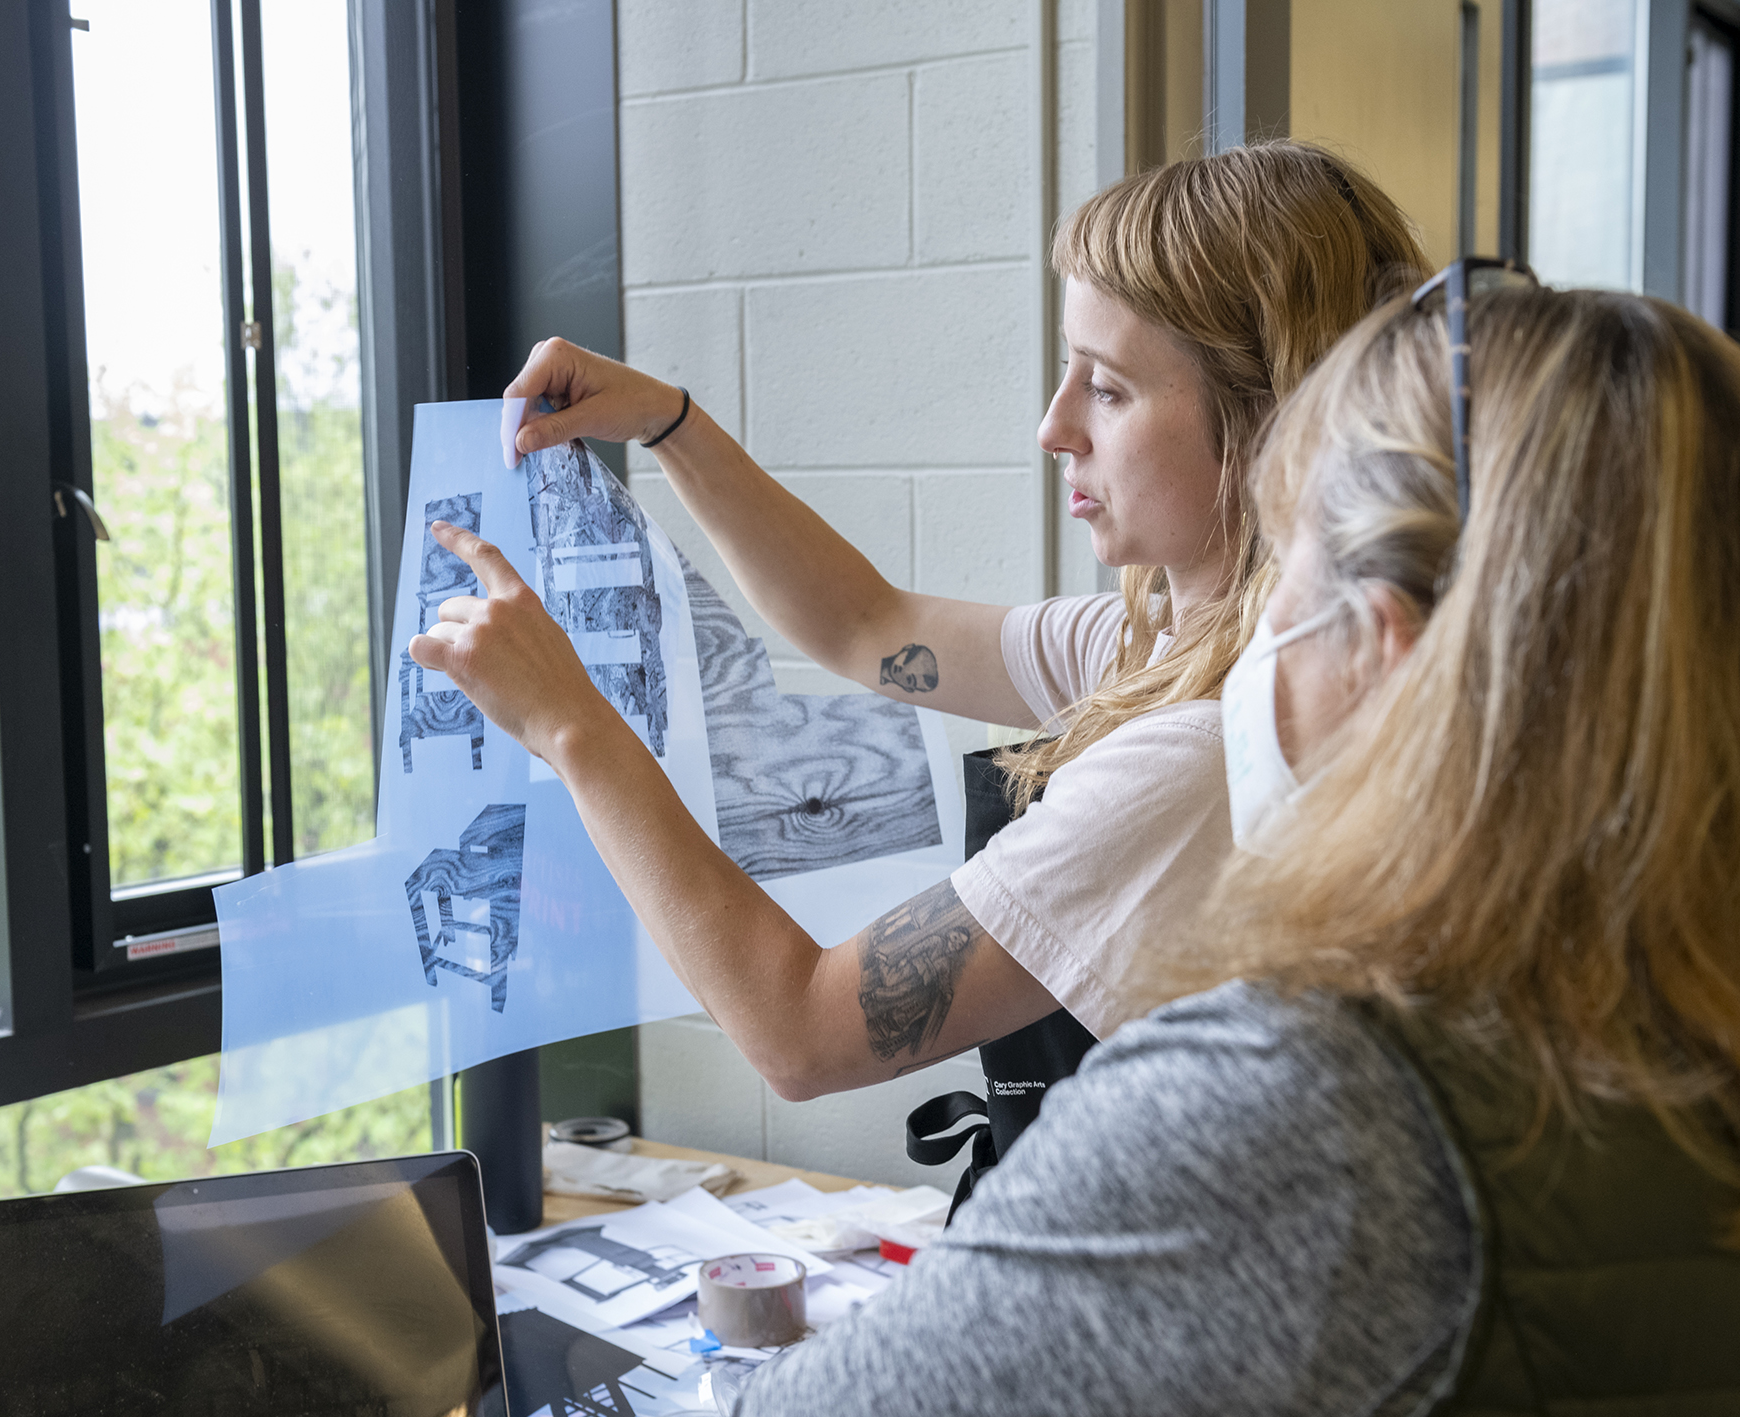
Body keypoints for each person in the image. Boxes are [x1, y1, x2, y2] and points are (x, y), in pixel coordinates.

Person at [714, 279, 1740, 1417]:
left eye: (1284, 569)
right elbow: (871, 626)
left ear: (1381, 653)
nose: (1252, 631)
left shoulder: (1306, 1110)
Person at [409, 143, 1426, 1136]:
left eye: (1107, 388)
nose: (1052, 425)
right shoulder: (1151, 644)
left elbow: (802, 1032)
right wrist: (672, 426)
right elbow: (866, 628)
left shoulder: (1199, 752)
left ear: (1266, 425)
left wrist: (571, 725)